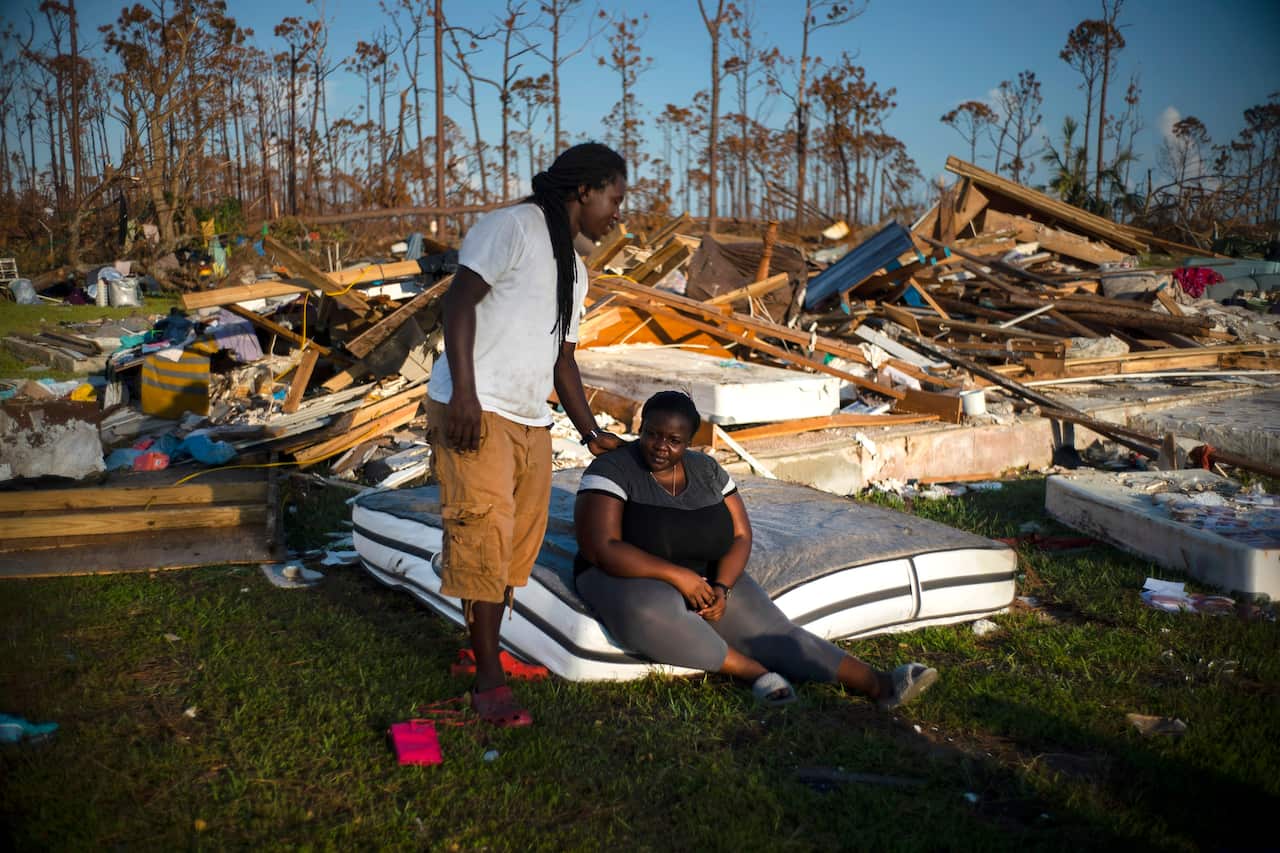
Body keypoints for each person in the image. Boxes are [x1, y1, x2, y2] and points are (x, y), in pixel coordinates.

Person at [427, 143, 627, 727]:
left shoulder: (577, 268)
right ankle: (489, 683)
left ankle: (475, 653)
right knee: (481, 534)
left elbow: (563, 359)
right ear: (585, 190)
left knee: (516, 546)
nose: (617, 213)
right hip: (473, 407)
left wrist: (591, 434)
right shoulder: (511, 226)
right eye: (614, 199)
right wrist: (464, 392)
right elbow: (458, 306)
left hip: (528, 418)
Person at [574, 390, 938, 709]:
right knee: (649, 613)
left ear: (689, 441)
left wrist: (722, 587)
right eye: (652, 434)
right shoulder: (613, 468)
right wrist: (679, 577)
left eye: (673, 439)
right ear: (641, 428)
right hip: (624, 574)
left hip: (702, 572)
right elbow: (600, 546)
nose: (660, 446)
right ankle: (754, 673)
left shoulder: (707, 471)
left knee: (774, 634)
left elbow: (741, 535)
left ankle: (880, 684)